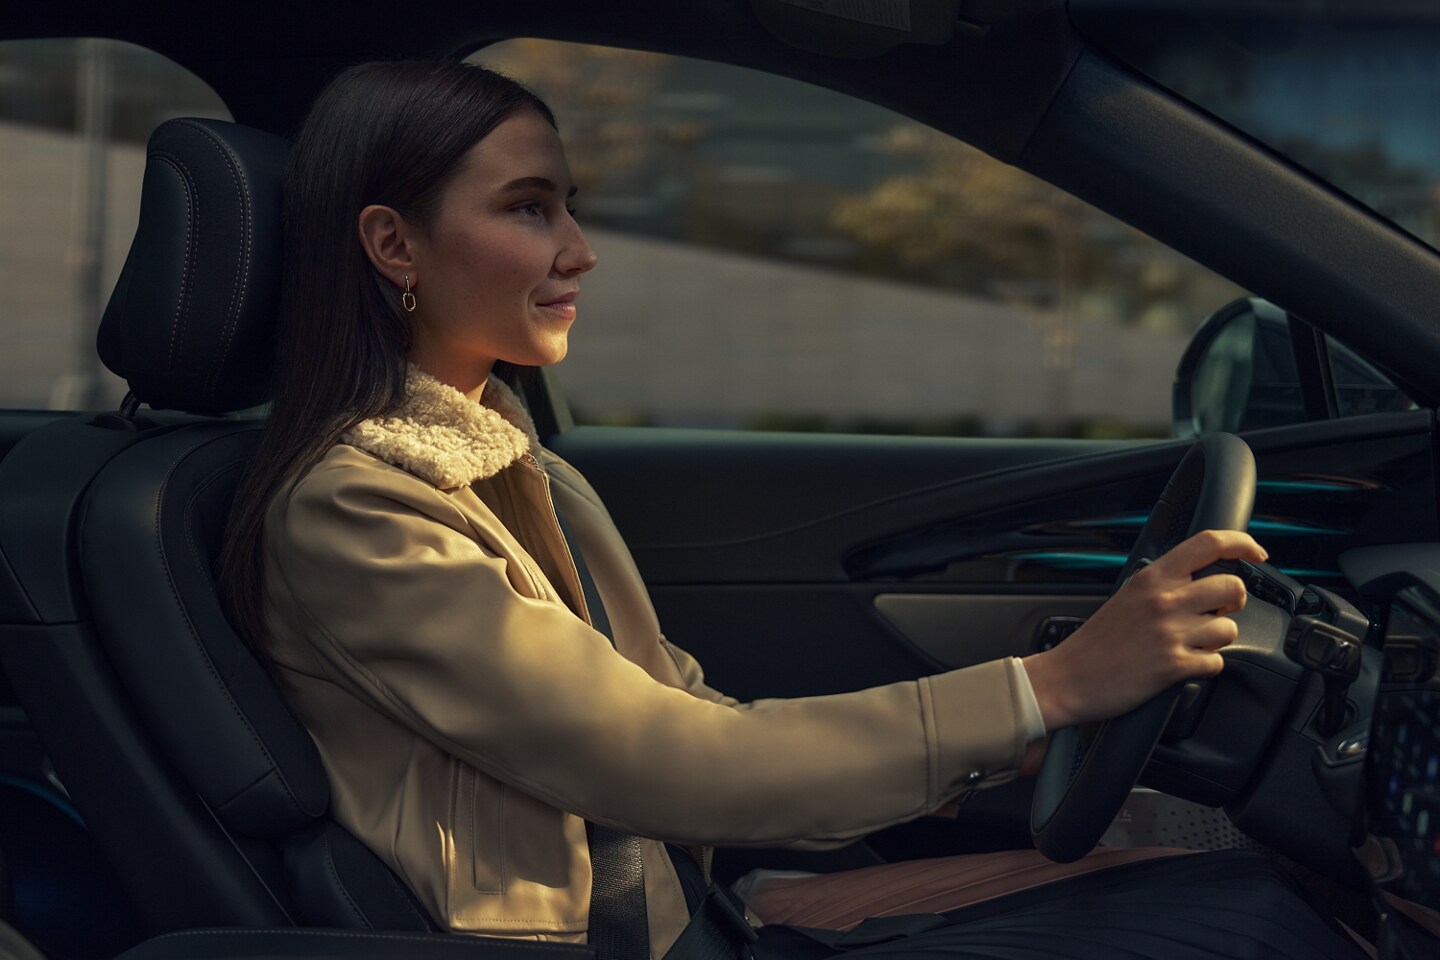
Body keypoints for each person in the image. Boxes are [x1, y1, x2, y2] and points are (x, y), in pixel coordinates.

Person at [218, 60, 1362, 960]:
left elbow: (675, 701)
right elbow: (670, 757)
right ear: (391, 244)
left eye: (570, 206)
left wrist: (1024, 740)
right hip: (605, 947)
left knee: (1238, 883)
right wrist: (1051, 689)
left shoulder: (507, 457)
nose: (580, 250)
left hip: (695, 914)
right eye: (530, 209)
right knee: (1259, 927)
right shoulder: (356, 510)